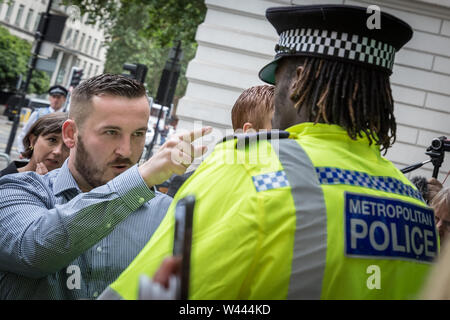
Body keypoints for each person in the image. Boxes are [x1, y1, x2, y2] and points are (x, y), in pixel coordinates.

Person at [104, 5, 438, 300]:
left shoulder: (246, 166)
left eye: (277, 84)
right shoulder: (414, 203)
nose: (275, 99)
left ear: (299, 81)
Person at [0, 74, 211, 299]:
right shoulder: (17, 191)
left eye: (138, 134)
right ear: (71, 134)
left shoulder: (167, 213)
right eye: (111, 132)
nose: (126, 151)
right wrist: (140, 179)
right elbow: (33, 252)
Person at [0, 112, 69, 177]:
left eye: (67, 144)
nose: (58, 151)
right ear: (33, 141)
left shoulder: (70, 185)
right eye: (52, 140)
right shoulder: (4, 181)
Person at [17, 85, 68, 154]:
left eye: (58, 97)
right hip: (36, 153)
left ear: (64, 99)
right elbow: (24, 133)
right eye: (53, 97)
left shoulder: (68, 116)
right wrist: (22, 151)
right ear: (49, 98)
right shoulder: (38, 113)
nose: (56, 100)